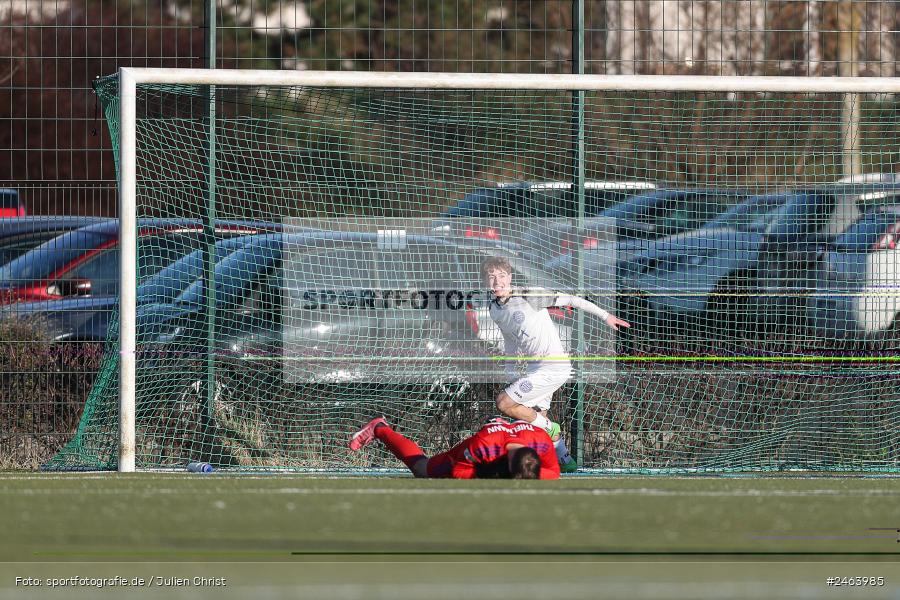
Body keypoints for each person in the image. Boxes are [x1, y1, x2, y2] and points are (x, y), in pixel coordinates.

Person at [481, 256, 630, 472]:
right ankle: (566, 462)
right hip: (536, 369)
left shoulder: (530, 295)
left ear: (510, 277)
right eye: (491, 277)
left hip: (554, 368)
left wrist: (605, 315)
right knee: (537, 419)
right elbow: (510, 340)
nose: (497, 282)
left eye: (501, 276)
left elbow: (572, 299)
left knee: (504, 403)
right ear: (485, 281)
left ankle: (551, 429)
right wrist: (511, 369)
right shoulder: (494, 309)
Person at [349, 416, 560, 479]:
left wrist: (534, 474)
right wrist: (485, 474)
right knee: (422, 469)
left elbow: (554, 473)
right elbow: (459, 470)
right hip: (471, 453)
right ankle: (380, 429)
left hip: (506, 447)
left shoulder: (542, 441)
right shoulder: (483, 447)